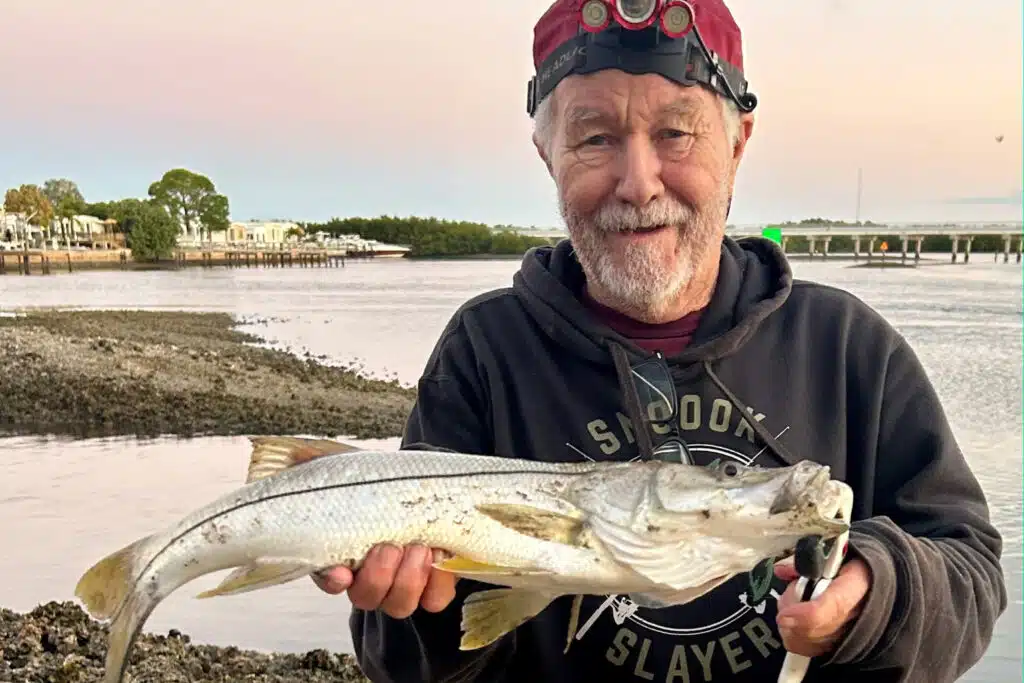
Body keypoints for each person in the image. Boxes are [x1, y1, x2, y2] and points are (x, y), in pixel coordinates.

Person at [313, 1, 1007, 681]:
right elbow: (397, 662)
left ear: (738, 144)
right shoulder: (484, 351)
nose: (638, 184)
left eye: (676, 134)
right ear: (546, 154)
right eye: (594, 139)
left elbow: (972, 573)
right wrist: (425, 607)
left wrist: (877, 591)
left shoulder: (849, 347)